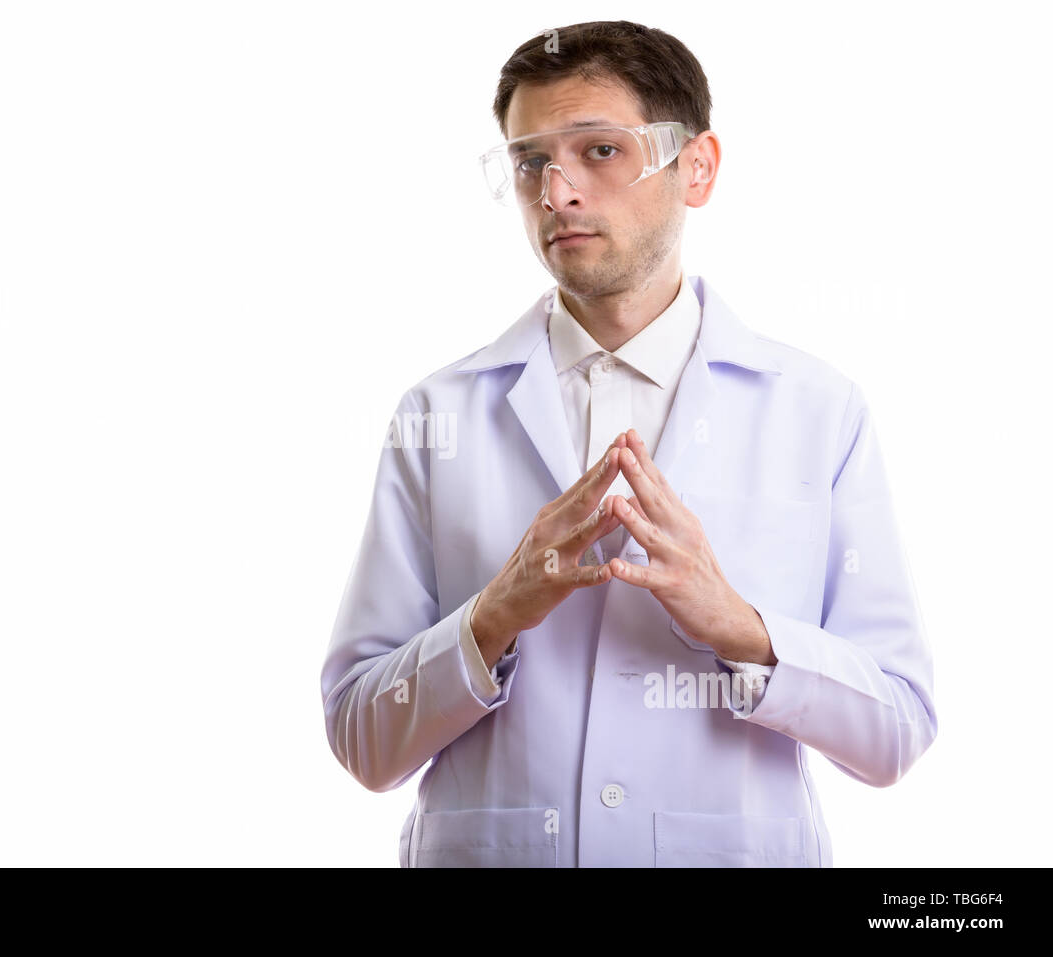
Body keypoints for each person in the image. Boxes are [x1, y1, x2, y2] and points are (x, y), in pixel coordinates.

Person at [319, 20, 937, 867]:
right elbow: (362, 737)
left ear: (698, 168)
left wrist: (744, 630)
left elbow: (896, 731)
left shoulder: (818, 411)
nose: (556, 192)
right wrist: (496, 614)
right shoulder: (438, 413)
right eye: (531, 159)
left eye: (599, 150)